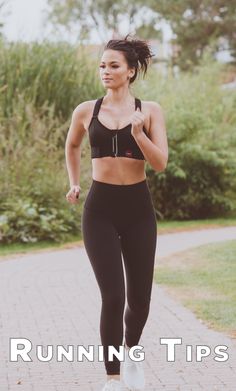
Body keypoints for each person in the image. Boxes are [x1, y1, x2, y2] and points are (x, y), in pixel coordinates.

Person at [65, 33, 168, 391]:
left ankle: (132, 355)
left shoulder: (150, 110)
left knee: (140, 299)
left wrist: (140, 135)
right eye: (102, 66)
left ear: (130, 72)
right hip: (100, 209)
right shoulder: (86, 110)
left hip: (138, 209)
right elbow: (73, 144)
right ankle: (112, 377)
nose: (105, 71)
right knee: (114, 296)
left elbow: (160, 164)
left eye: (113, 66)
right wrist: (75, 181)